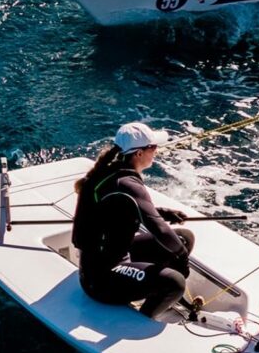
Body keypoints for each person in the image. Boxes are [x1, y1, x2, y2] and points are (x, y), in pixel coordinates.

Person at [72, 122, 194, 320]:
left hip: (113, 253)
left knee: (184, 238)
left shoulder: (111, 172)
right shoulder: (127, 183)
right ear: (138, 153)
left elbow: (118, 209)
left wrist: (161, 212)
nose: (156, 151)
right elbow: (161, 231)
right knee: (175, 282)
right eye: (153, 147)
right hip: (101, 278)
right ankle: (144, 317)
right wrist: (182, 258)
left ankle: (152, 288)